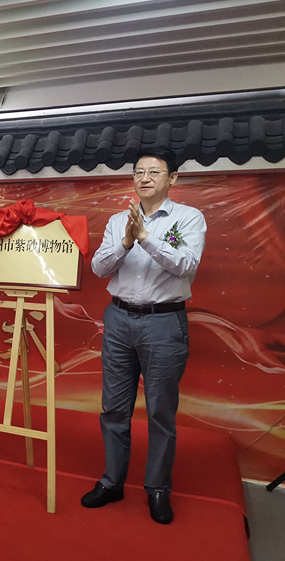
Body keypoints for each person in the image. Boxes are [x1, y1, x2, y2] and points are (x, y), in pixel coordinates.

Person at [82, 147, 207, 524]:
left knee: (160, 411)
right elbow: (98, 268)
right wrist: (125, 241)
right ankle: (112, 481)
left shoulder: (189, 217)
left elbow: (186, 264)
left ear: (173, 178)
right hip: (119, 320)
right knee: (114, 407)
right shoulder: (118, 220)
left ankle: (157, 488)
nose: (145, 178)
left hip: (163, 323)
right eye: (139, 172)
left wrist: (146, 237)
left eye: (154, 172)